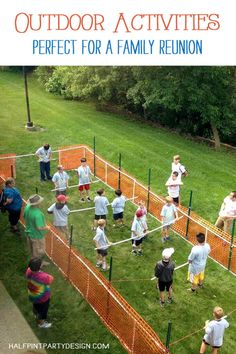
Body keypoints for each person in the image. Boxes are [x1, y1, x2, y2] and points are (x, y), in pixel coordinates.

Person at [26, 257, 54, 328]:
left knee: (36, 306)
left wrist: (39, 267)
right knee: (42, 311)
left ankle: (36, 314)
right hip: (42, 298)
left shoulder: (28, 271)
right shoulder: (43, 276)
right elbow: (51, 279)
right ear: (40, 267)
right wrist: (42, 271)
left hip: (33, 295)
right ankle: (41, 324)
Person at [23, 194, 50, 265]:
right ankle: (37, 266)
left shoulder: (27, 207)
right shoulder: (38, 214)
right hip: (37, 236)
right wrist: (47, 227)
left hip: (29, 233)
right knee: (39, 252)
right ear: (38, 203)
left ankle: (35, 262)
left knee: (33, 250)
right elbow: (39, 227)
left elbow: (24, 216)